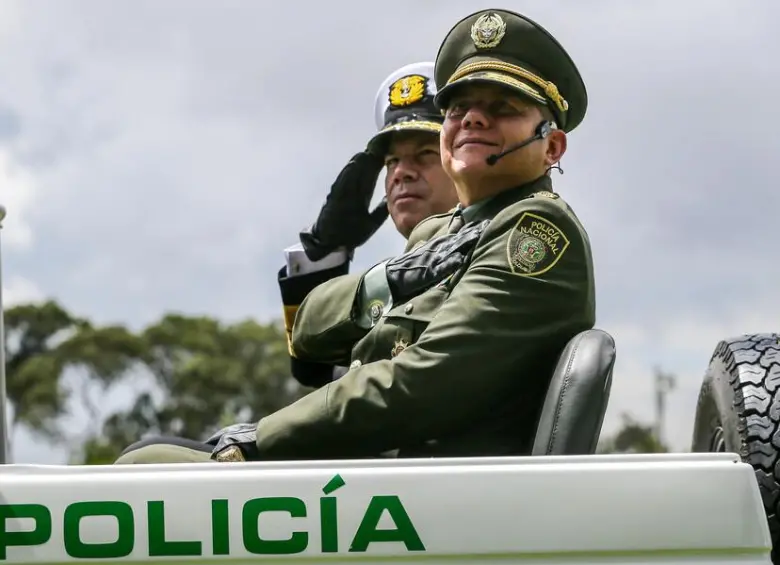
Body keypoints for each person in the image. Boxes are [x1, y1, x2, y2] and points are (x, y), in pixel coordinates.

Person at [114, 8, 595, 465]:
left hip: (441, 489)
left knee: (148, 465)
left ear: (551, 145)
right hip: (395, 477)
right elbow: (308, 341)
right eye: (458, 108)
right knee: (150, 456)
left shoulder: (535, 229)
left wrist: (258, 438)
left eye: (502, 107)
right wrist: (366, 268)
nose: (472, 119)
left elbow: (423, 384)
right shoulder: (439, 236)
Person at [279, 61, 458, 389]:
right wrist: (325, 251)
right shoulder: (398, 280)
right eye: (392, 161)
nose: (401, 172)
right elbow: (316, 370)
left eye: (424, 154)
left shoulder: (486, 251)